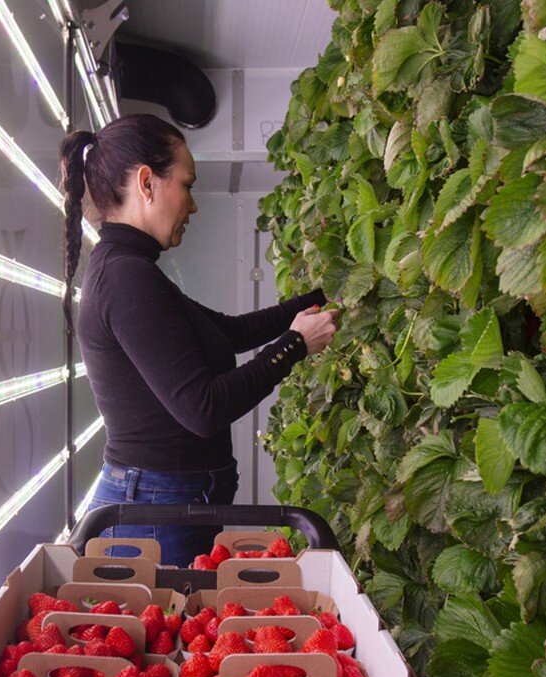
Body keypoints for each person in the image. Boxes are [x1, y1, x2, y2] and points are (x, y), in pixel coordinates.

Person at [59, 113, 338, 566]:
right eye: (187, 185)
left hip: (162, 503)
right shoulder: (125, 277)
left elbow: (228, 331)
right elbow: (202, 410)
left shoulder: (133, 269)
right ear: (147, 182)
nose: (193, 205)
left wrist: (320, 299)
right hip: (154, 513)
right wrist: (295, 346)